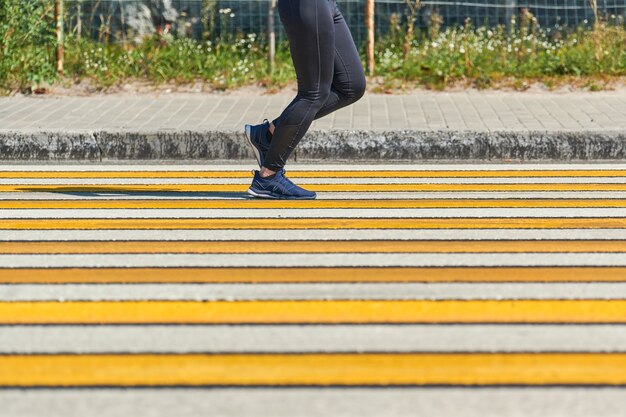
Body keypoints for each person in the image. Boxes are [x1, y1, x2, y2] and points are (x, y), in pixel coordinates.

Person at [244, 0, 366, 200]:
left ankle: (268, 134)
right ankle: (268, 177)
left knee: (352, 86)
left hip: (327, 5)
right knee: (314, 92)